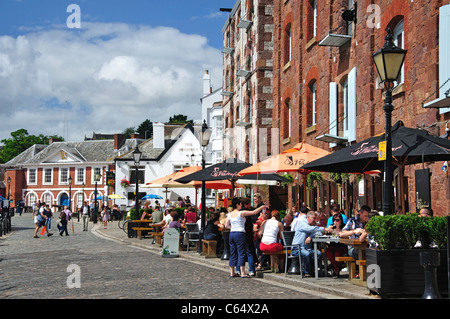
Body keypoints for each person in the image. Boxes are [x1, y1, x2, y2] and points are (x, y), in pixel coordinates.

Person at [224, 197, 267, 278]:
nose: (241, 205)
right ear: (237, 205)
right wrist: (261, 207)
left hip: (232, 234)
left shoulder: (229, 214)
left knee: (233, 252)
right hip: (240, 233)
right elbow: (254, 212)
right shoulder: (241, 213)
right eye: (240, 204)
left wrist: (233, 228)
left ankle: (232, 272)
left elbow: (226, 225)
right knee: (241, 252)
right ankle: (243, 272)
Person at [291, 211, 333, 277]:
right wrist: (325, 229)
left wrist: (310, 237)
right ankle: (306, 272)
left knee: (318, 253)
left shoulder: (312, 225)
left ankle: (312, 270)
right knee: (306, 254)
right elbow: (311, 229)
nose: (315, 220)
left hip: (307, 248)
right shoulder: (302, 224)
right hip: (297, 247)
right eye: (314, 218)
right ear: (308, 217)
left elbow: (318, 233)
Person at [325, 213, 348, 277]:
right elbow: (327, 237)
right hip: (333, 245)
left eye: (337, 220)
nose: (335, 222)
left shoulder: (344, 227)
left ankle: (336, 270)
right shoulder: (331, 227)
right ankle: (337, 268)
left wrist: (339, 231)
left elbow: (347, 235)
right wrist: (328, 231)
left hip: (342, 245)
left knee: (337, 253)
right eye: (334, 220)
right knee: (328, 252)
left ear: (341, 220)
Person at [242, 197, 258, 276]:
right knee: (250, 252)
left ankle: (239, 270)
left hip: (240, 234)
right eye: (249, 204)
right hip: (247, 234)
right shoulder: (247, 212)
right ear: (246, 204)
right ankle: (251, 270)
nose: (250, 205)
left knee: (240, 252)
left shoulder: (237, 212)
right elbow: (255, 219)